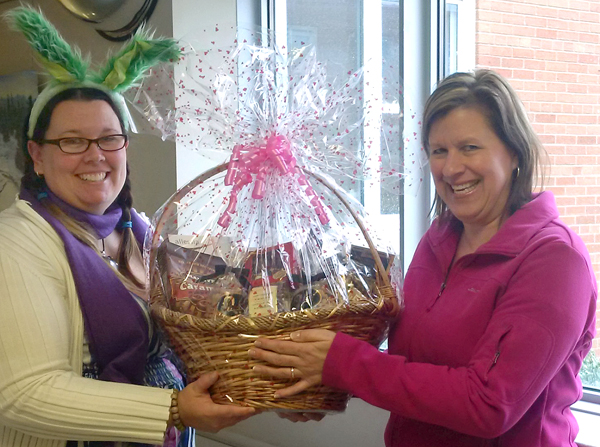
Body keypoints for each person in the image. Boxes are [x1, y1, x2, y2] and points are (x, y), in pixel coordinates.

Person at [248, 69, 597, 446]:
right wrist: (323, 384)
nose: (450, 168)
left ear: (514, 151)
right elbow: (411, 369)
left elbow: (488, 404)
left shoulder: (555, 261)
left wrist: (342, 365)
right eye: (438, 151)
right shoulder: (438, 240)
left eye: (470, 147)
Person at [0, 7, 256, 447]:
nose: (95, 155)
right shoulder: (16, 242)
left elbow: (199, 306)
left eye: (108, 138)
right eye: (71, 141)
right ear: (37, 156)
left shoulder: (139, 231)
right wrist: (174, 408)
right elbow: (24, 392)